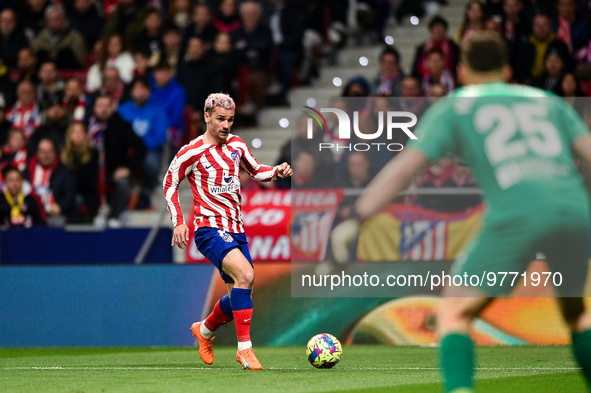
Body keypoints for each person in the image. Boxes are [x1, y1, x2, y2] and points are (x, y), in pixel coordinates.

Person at [332, 32, 591, 393]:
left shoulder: (457, 105)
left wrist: (355, 217)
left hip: (517, 214)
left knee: (452, 311)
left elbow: (405, 169)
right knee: (577, 314)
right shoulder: (546, 100)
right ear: (506, 69)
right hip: (577, 208)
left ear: (462, 71)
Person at [163, 93, 292, 370]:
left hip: (236, 229)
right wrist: (179, 221)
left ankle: (205, 330)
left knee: (240, 295)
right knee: (246, 274)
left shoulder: (236, 144)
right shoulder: (191, 151)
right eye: (220, 119)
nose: (226, 125)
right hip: (209, 229)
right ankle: (244, 349)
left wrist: (277, 172)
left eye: (230, 120)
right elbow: (169, 183)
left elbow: (256, 171)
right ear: (207, 116)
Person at [30, 4, 86, 69]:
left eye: (57, 19)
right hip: (45, 75)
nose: (54, 23)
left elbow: (80, 61)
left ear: (64, 19)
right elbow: (33, 58)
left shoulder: (74, 37)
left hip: (68, 74)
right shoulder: (40, 37)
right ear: (47, 22)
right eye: (51, 20)